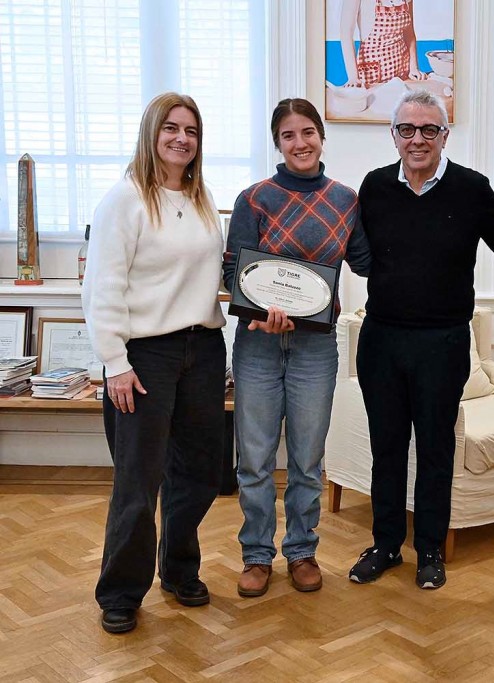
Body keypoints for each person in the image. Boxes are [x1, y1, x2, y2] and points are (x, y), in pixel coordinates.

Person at [347, 89, 494, 590]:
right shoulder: (373, 187)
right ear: (393, 135)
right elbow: (353, 250)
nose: (418, 139)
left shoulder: (472, 188)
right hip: (382, 340)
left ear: (445, 135)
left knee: (436, 448)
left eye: (429, 129)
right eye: (407, 129)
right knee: (387, 447)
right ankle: (386, 544)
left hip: (443, 342)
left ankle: (430, 550)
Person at [83, 92, 227, 635]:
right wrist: (114, 363)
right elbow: (101, 288)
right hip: (145, 356)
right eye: (170, 128)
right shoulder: (125, 200)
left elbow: (211, 277)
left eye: (190, 130)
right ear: (151, 134)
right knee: (138, 482)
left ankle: (179, 569)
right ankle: (120, 591)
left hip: (203, 350)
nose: (181, 138)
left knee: (200, 472)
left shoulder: (202, 199)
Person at [224, 98, 371, 598]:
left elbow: (369, 260)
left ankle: (303, 550)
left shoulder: (346, 200)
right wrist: (259, 311)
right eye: (289, 135)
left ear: (321, 136)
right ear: (277, 143)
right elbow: (233, 271)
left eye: (308, 132)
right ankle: (257, 555)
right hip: (258, 346)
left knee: (308, 459)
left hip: (315, 347)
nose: (300, 143)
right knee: (256, 459)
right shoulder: (254, 199)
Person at [339, 0, 424, 88]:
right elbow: (346, 35)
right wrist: (353, 77)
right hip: (373, 71)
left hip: (402, 68)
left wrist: (414, 68)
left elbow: (409, 33)